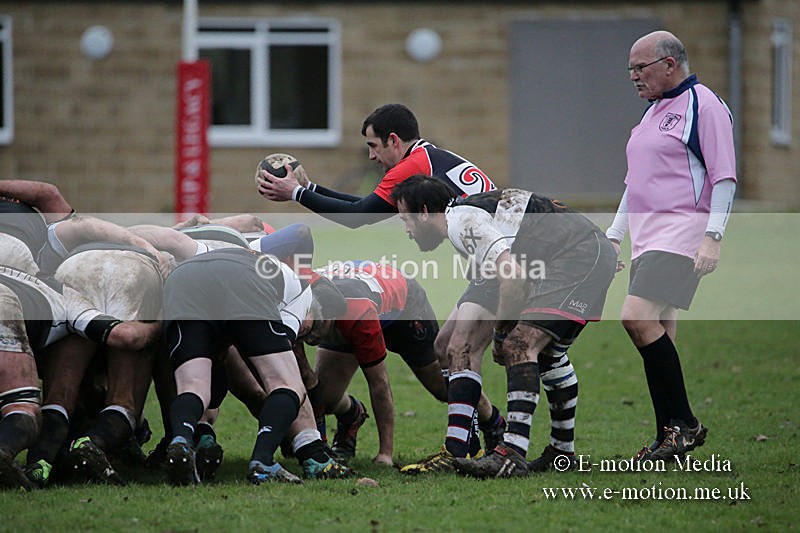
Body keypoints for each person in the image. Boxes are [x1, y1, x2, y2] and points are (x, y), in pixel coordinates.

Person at [257, 103, 506, 469]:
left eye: (374, 146)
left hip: (500, 263)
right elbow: (365, 207)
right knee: (449, 350)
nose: (372, 157)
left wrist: (296, 194)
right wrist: (308, 188)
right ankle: (483, 434)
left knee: (468, 352)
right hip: (490, 260)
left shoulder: (413, 165)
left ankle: (476, 447)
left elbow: (359, 218)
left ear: (393, 140)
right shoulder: (425, 159)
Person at [391, 175, 617, 478]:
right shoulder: (466, 216)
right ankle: (557, 453)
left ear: (423, 212)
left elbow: (512, 275)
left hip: (578, 256)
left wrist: (499, 334)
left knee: (519, 346)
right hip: (571, 253)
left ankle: (511, 453)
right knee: (455, 344)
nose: (406, 230)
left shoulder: (462, 222)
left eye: (405, 219)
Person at [605, 31, 736, 461]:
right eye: (630, 69)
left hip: (681, 232)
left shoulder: (705, 105)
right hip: (648, 238)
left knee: (635, 318)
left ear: (669, 64)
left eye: (639, 68)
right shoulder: (651, 113)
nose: (633, 77)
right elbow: (633, 184)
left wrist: (713, 238)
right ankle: (671, 438)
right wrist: (613, 236)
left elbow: (724, 177)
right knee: (661, 332)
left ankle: (685, 424)